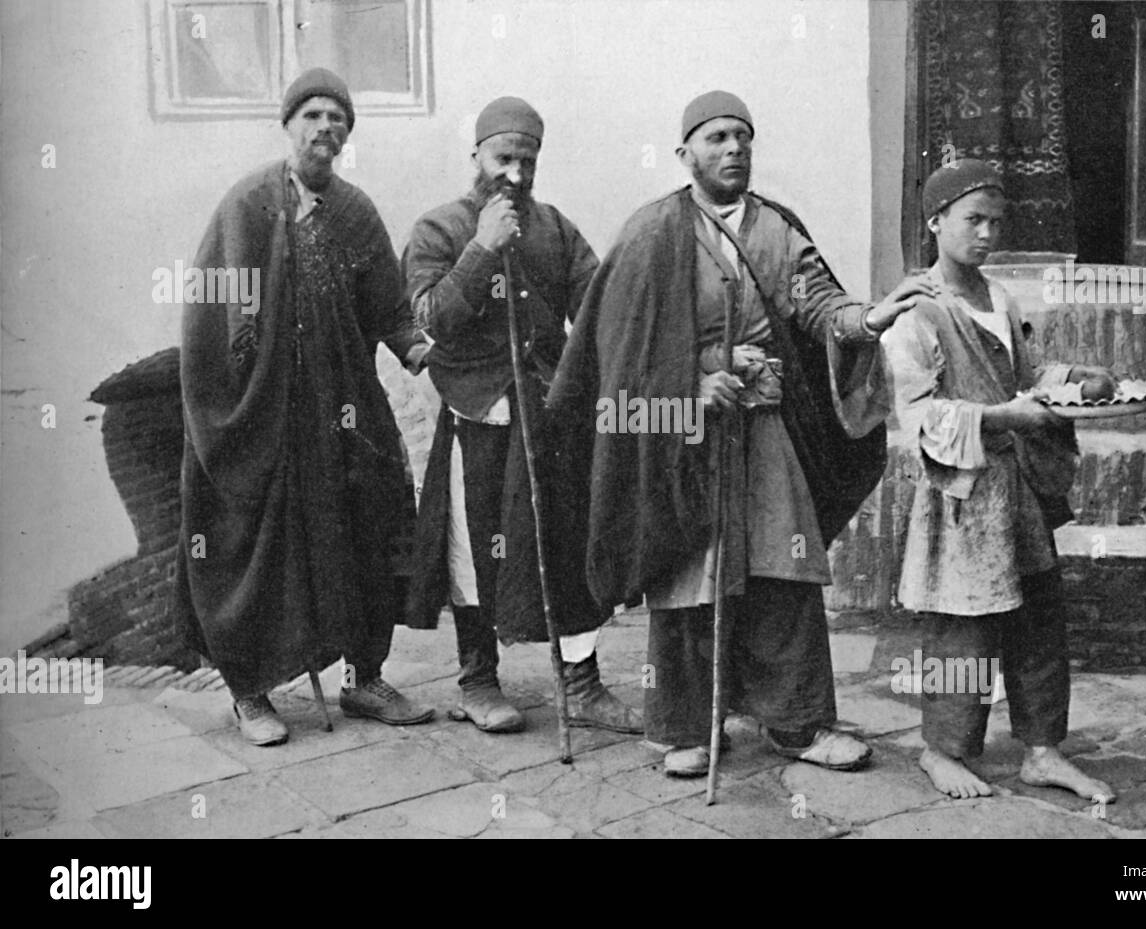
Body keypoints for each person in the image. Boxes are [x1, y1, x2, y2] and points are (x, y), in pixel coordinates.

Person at [549, 91, 928, 777]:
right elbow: (620, 353)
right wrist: (690, 388)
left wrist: (867, 320)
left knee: (784, 573)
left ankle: (799, 722)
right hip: (683, 442)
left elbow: (817, 305)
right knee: (691, 578)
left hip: (766, 433)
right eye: (718, 137)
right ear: (685, 152)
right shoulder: (650, 234)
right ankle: (686, 727)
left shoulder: (777, 229)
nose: (733, 149)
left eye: (743, 137)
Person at [175, 69, 436, 746]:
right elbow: (212, 316)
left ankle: (366, 676)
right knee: (251, 549)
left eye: (338, 119)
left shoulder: (355, 213)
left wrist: (421, 350)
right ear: (287, 124)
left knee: (371, 521)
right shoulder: (247, 207)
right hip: (260, 415)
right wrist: (241, 394)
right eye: (313, 115)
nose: (326, 128)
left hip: (346, 408)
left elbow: (390, 312)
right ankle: (250, 692)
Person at [404, 97, 642, 735]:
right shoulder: (439, 229)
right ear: (476, 156)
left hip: (549, 418)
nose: (515, 173)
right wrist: (481, 250)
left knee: (569, 545)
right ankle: (479, 681)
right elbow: (431, 322)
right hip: (478, 417)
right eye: (503, 158)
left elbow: (599, 304)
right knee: (476, 550)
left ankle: (582, 682)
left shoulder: (555, 228)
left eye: (527, 161)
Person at [882, 158, 1118, 803]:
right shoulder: (918, 309)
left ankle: (1042, 750)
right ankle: (943, 750)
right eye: (972, 220)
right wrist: (1001, 417)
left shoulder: (1001, 299)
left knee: (1040, 618)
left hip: (1019, 495)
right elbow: (916, 415)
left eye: (996, 221)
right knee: (964, 625)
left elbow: (1029, 377)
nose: (986, 234)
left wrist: (1076, 381)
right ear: (935, 222)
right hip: (963, 496)